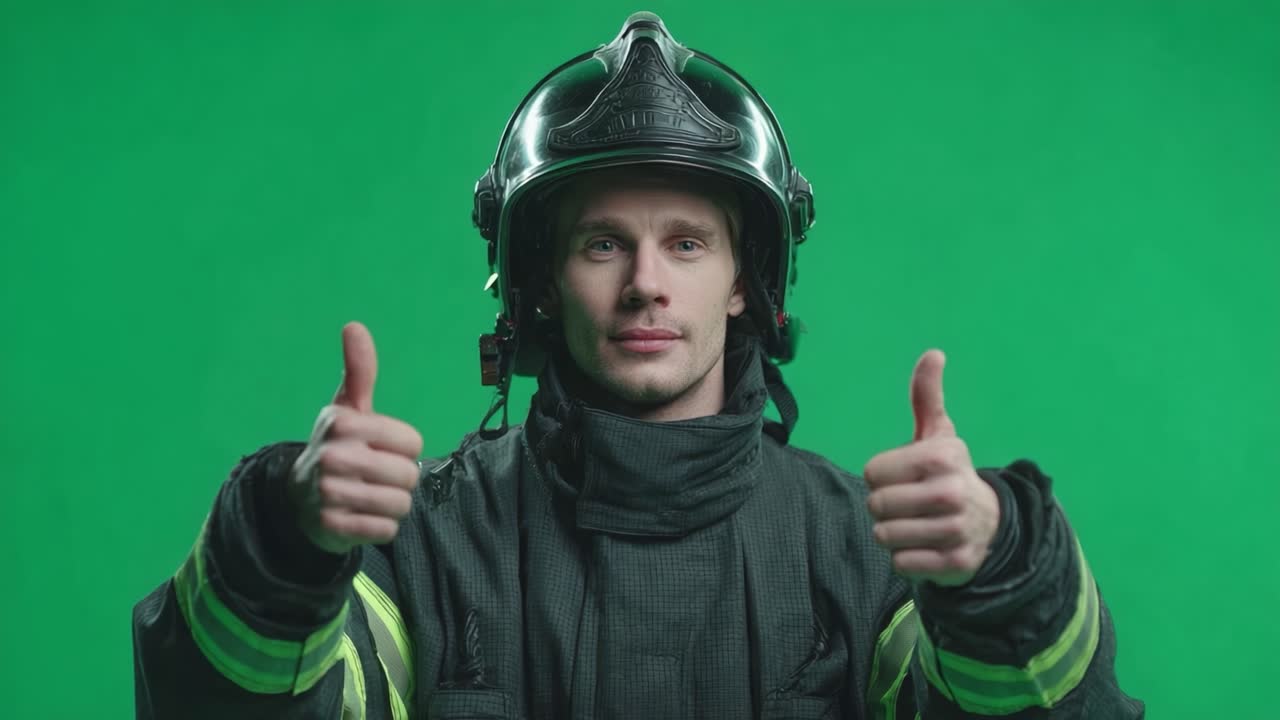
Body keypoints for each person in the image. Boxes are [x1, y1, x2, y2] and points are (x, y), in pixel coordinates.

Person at [133, 12, 1144, 719]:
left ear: (747, 281)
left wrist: (1000, 575)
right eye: (602, 243)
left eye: (688, 245)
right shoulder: (415, 550)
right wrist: (283, 548)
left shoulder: (868, 553)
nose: (645, 285)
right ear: (535, 284)